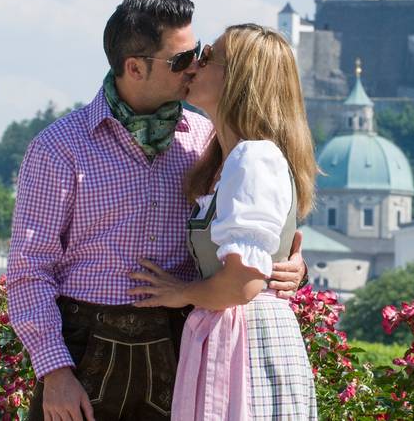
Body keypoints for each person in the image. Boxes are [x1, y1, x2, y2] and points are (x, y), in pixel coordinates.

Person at [6, 0, 307, 421]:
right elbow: (29, 268)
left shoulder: (210, 138)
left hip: (180, 343)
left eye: (201, 54)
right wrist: (54, 370)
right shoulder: (59, 148)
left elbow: (261, 219)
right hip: (84, 345)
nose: (196, 66)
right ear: (135, 67)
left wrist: (293, 262)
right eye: (181, 60)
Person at [129, 23, 317, 420]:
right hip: (234, 333)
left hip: (248, 338)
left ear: (240, 79)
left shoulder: (253, 158)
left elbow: (242, 283)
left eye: (210, 56)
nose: (196, 63)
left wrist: (180, 292)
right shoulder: (222, 156)